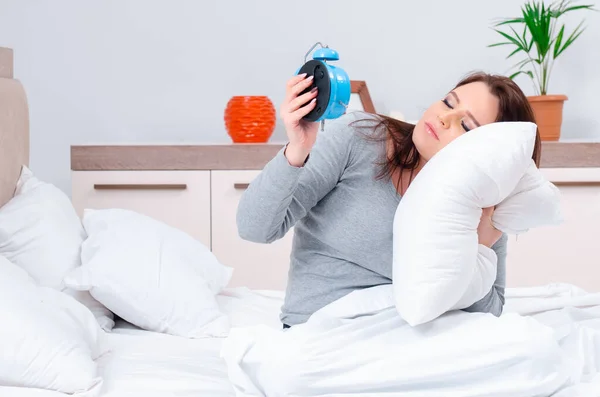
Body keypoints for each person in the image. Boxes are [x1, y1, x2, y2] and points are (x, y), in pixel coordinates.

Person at [236, 71, 541, 329]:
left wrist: (480, 248)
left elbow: (489, 314)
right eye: (449, 102)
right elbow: (255, 228)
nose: (444, 117)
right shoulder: (358, 137)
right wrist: (298, 149)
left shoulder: (483, 199)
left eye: (466, 125)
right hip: (321, 334)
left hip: (411, 340)